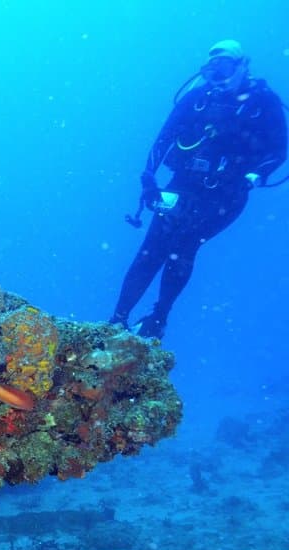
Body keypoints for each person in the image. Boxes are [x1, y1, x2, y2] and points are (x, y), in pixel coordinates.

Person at [110, 39, 287, 339]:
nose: (218, 75)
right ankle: (117, 320)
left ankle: (158, 318)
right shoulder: (197, 98)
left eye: (226, 67)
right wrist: (148, 178)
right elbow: (163, 139)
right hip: (183, 184)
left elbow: (281, 149)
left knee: (184, 246)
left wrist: (250, 177)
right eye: (211, 68)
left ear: (242, 66)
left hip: (227, 196)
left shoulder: (262, 102)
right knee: (151, 250)